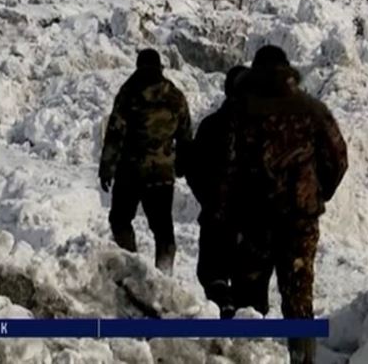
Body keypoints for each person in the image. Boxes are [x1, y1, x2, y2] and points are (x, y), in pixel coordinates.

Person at [227, 45, 348, 364]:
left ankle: (250, 357)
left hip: (255, 219)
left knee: (248, 300)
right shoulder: (312, 109)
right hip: (299, 220)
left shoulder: (243, 109)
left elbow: (230, 165)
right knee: (298, 302)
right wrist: (317, 193)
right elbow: (337, 159)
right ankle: (301, 360)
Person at [98, 49, 193, 274]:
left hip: (129, 172)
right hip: (161, 174)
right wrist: (181, 165)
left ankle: (132, 268)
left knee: (120, 220)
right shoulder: (175, 95)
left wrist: (106, 168)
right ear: (160, 67)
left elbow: (115, 134)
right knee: (163, 230)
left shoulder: (128, 93)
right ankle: (164, 274)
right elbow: (186, 135)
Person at [187, 65, 249, 319]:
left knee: (213, 274)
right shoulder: (267, 128)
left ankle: (223, 307)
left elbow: (193, 168)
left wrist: (209, 198)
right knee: (251, 285)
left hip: (217, 215)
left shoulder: (211, 125)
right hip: (254, 219)